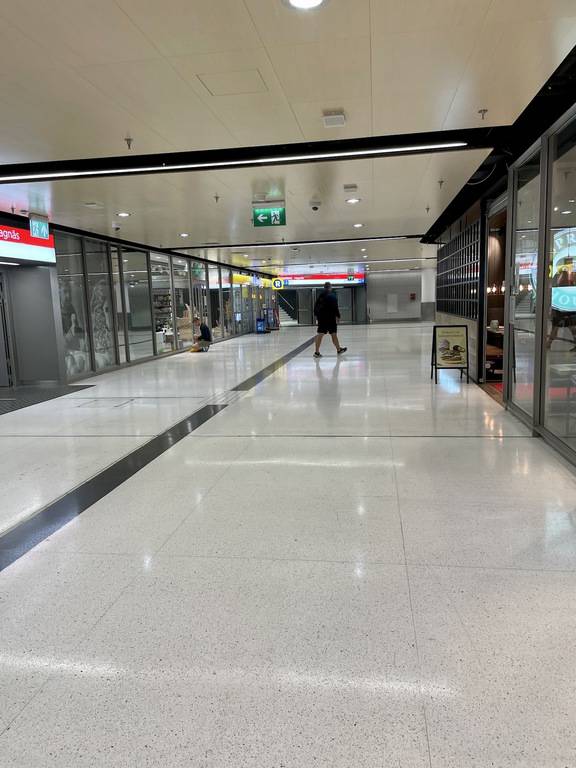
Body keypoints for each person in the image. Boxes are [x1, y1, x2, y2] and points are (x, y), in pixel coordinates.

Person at [313, 282, 347, 358]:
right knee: (333, 334)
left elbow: (316, 307)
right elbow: (335, 307)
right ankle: (338, 350)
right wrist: (338, 316)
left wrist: (317, 316)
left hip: (322, 319)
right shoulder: (332, 296)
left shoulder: (320, 296)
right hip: (331, 319)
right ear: (330, 287)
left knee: (320, 334)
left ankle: (317, 352)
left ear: (324, 287)